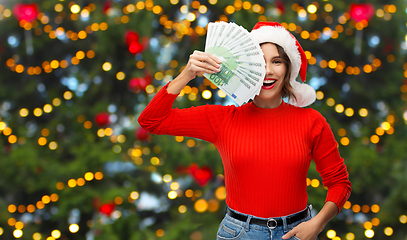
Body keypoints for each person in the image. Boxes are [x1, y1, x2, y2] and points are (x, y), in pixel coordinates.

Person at [138, 22, 351, 240]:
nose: (268, 70)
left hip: (297, 233)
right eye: (259, 62)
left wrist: (317, 223)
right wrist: (186, 74)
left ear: (288, 69)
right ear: (247, 67)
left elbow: (339, 182)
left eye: (276, 62)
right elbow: (151, 121)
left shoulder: (312, 122)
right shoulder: (222, 120)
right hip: (239, 234)